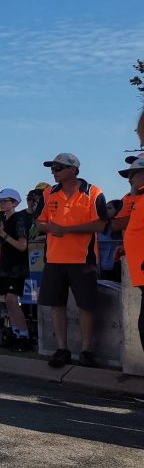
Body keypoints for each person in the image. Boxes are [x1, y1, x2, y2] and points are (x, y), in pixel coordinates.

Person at [37, 153, 107, 368]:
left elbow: (101, 224)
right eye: (52, 168)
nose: (53, 171)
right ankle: (62, 348)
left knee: (86, 306)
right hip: (54, 259)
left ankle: (86, 350)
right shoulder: (48, 193)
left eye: (58, 168)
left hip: (83, 259)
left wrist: (66, 230)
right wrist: (49, 228)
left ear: (73, 169)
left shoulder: (94, 192)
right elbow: (40, 222)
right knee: (56, 305)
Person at [0, 189, 32, 352]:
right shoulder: (5, 219)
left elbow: (22, 245)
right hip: (5, 265)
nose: (2, 203)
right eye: (0, 201)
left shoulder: (19, 219)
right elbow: (3, 244)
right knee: (8, 302)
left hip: (16, 267)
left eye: (5, 201)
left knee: (12, 300)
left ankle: (24, 336)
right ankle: (16, 332)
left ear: (15, 203)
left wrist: (2, 233)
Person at [111, 156, 144, 384]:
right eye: (129, 176)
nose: (130, 179)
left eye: (134, 174)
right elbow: (118, 225)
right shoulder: (132, 198)